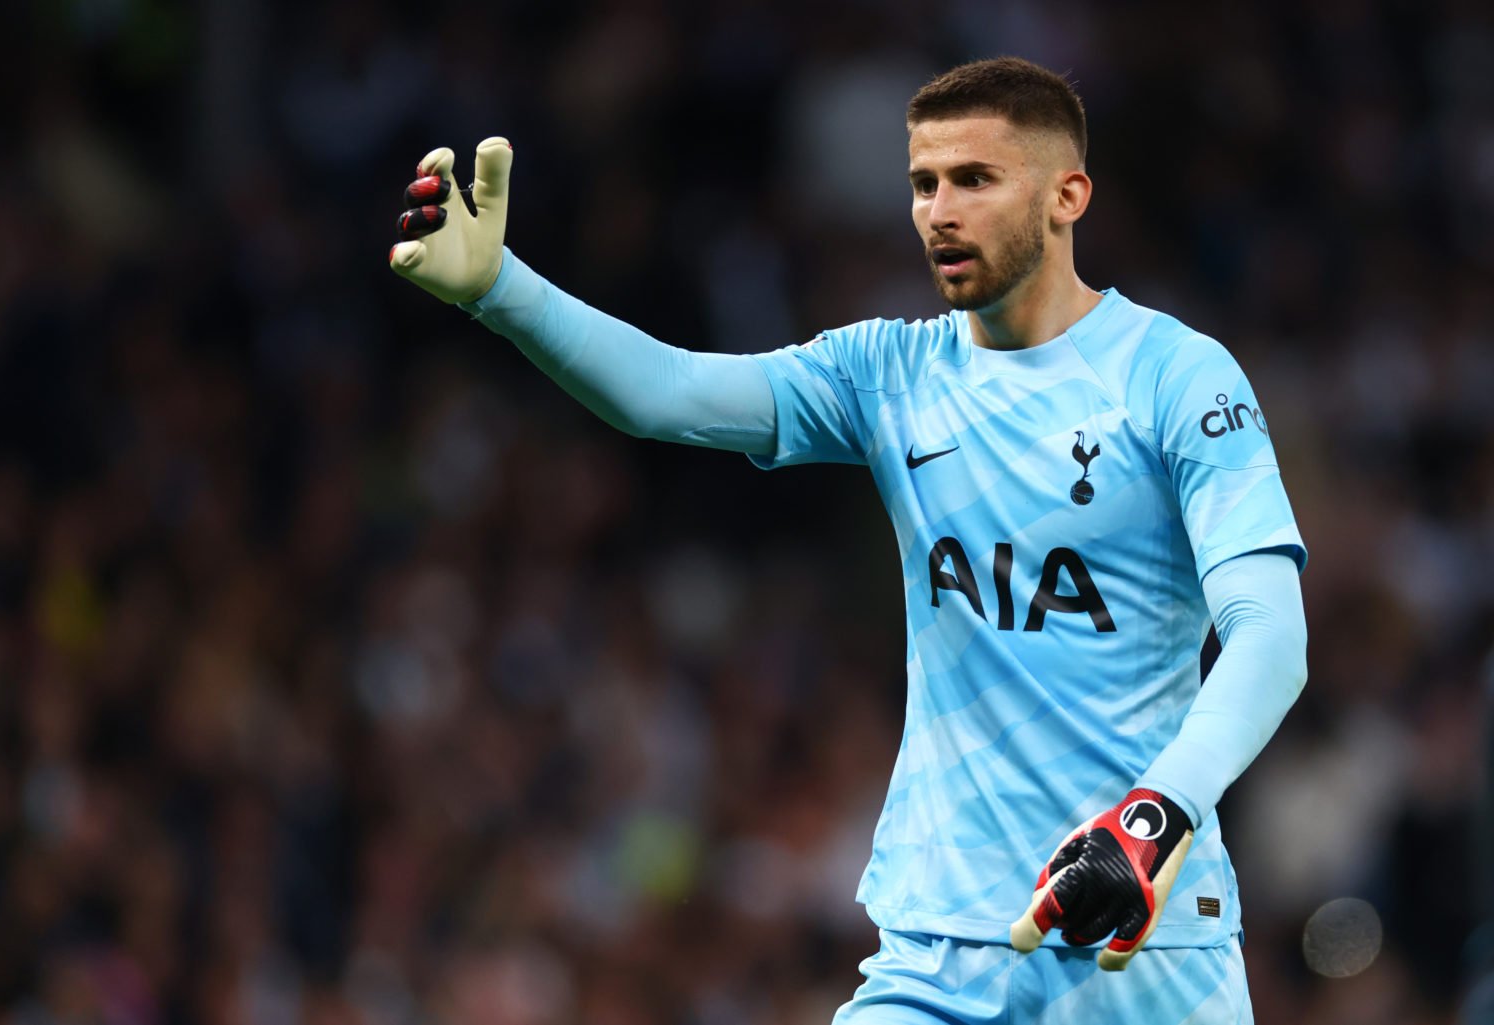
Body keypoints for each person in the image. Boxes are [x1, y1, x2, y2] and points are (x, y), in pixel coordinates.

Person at [389, 56, 1307, 1025]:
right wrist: (501, 286)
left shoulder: (1177, 377)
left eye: (975, 179)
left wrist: (1153, 816)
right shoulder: (890, 370)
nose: (938, 211)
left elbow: (1269, 634)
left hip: (1141, 937)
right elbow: (669, 393)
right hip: (939, 945)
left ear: (1066, 195)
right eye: (923, 183)